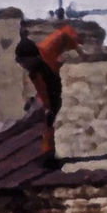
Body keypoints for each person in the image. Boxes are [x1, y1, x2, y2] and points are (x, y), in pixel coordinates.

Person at [15, 23, 81, 157]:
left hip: (68, 84)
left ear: (33, 57)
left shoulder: (47, 48)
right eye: (20, 62)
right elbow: (44, 93)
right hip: (55, 94)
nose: (23, 66)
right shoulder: (34, 73)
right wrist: (44, 106)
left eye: (24, 62)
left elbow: (67, 31)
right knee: (50, 120)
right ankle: (49, 153)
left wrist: (78, 51)